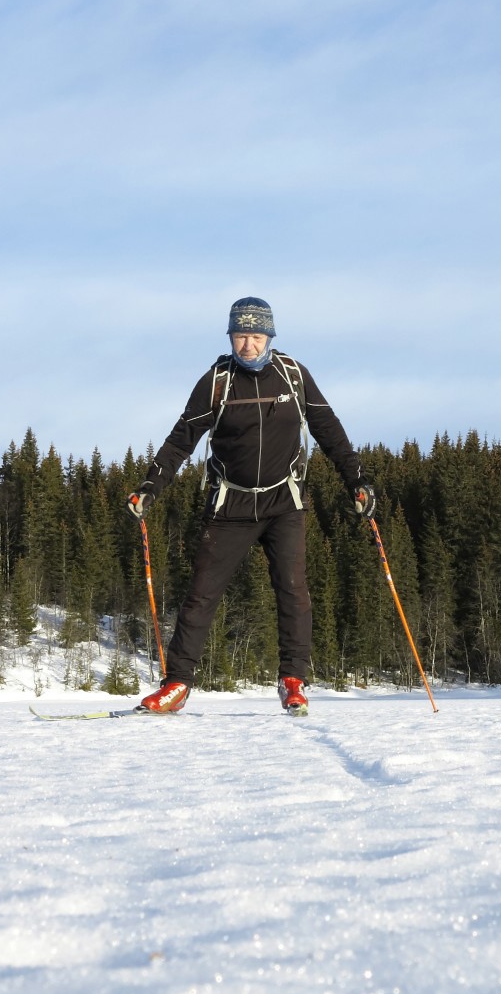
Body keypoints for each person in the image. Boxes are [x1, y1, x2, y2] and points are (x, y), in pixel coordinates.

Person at [127, 296, 375, 715]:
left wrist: (357, 480)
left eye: (256, 336)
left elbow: (328, 428)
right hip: (230, 504)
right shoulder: (216, 382)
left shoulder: (293, 376)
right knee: (201, 595)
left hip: (285, 500)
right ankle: (176, 685)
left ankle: (292, 680)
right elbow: (180, 440)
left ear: (270, 337)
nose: (248, 345)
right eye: (241, 336)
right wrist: (150, 486)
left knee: (293, 590)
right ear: (230, 336)